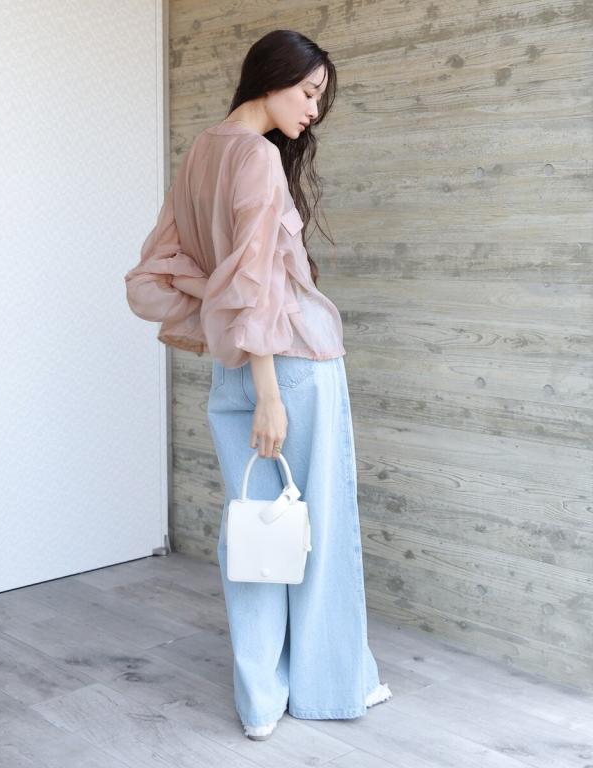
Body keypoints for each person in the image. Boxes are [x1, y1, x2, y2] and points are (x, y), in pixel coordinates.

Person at [124, 29, 392, 741]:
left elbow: (156, 275)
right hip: (290, 367)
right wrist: (269, 387)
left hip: (234, 366)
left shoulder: (201, 152)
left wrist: (222, 312)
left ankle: (260, 702)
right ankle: (333, 685)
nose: (313, 109)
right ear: (273, 76)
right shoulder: (257, 158)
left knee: (254, 531)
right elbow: (259, 282)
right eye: (308, 92)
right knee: (318, 530)